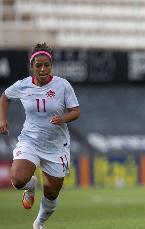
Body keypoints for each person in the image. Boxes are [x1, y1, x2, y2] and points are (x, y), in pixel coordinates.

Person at [0, 43, 80, 229]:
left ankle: (39, 223)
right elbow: (4, 97)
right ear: (32, 66)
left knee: (52, 194)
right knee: (18, 180)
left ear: (51, 66)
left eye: (46, 65)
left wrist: (63, 118)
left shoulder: (62, 85)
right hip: (30, 141)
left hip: (56, 146)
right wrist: (2, 119)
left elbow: (75, 111)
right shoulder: (23, 85)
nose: (43, 69)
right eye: (38, 65)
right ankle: (30, 187)